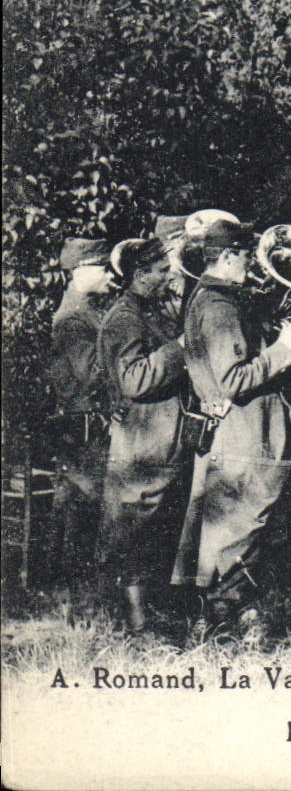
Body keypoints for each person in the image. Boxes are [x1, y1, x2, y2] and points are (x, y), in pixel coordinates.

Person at [170, 218, 291, 642]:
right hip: (246, 431)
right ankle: (222, 623)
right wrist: (283, 349)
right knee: (239, 525)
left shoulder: (216, 298)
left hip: (237, 430)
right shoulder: (219, 307)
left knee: (225, 529)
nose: (253, 262)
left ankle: (221, 619)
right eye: (247, 254)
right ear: (229, 255)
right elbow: (233, 379)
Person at [96, 238, 189, 633]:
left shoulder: (148, 310)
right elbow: (133, 380)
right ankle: (132, 620)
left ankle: (146, 614)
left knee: (149, 527)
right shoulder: (124, 318)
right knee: (133, 527)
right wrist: (180, 348)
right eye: (160, 270)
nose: (169, 274)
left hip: (158, 441)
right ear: (140, 276)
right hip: (141, 443)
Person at [46, 237, 116, 592]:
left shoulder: (87, 309)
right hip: (85, 428)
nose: (109, 273)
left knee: (82, 509)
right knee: (85, 508)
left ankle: (80, 592)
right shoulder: (73, 318)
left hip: (89, 425)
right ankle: (81, 595)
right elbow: (93, 375)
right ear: (78, 272)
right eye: (101, 267)